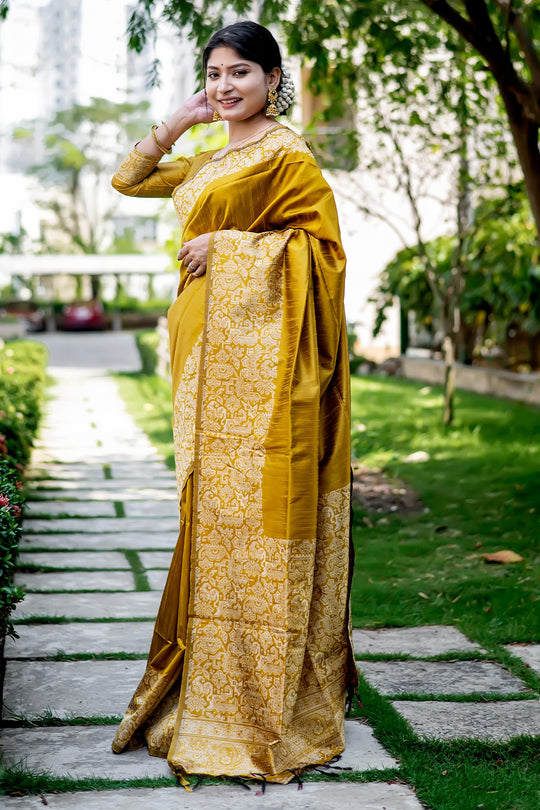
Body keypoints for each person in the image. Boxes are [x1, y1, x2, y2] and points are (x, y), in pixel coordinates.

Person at [110, 19, 356, 786]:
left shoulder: (290, 157)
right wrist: (180, 120)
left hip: (273, 383)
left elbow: (323, 258)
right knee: (211, 518)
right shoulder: (216, 156)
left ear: (275, 77)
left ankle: (263, 700)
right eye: (213, 73)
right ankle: (209, 686)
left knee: (262, 522)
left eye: (240, 73)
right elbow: (129, 178)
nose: (225, 86)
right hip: (204, 373)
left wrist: (232, 248)